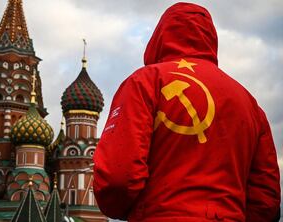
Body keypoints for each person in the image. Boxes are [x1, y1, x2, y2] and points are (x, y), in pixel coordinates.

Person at [93, 2, 281, 222]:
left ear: (160, 37)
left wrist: (124, 209)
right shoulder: (249, 103)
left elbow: (118, 176)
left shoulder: (145, 82)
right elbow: (266, 197)